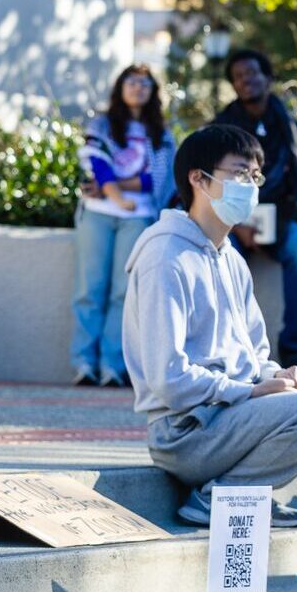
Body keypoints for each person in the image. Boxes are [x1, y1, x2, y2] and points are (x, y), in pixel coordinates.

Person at [122, 124, 297, 528]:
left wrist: (280, 375)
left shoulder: (230, 257)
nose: (250, 186)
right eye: (239, 173)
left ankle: (245, 491)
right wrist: (252, 390)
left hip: (230, 415)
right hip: (185, 432)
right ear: (198, 178)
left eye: (255, 176)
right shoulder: (165, 255)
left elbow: (254, 355)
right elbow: (168, 378)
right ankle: (221, 497)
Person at [71, 65, 175, 387]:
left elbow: (155, 180)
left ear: (153, 92)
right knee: (90, 288)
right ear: (120, 87)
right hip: (98, 214)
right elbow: (95, 162)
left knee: (123, 291)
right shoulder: (102, 123)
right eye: (131, 82)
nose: (138, 88)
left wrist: (114, 185)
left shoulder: (161, 133)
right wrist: (109, 188)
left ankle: (112, 365)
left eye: (145, 83)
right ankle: (84, 362)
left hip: (139, 217)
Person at [212, 48, 297, 368]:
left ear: (268, 78)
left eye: (253, 73)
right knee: (222, 262)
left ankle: (292, 348)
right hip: (230, 220)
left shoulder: (293, 128)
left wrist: (273, 227)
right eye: (239, 77)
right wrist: (237, 225)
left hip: (280, 219)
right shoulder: (220, 129)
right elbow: (211, 183)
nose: (247, 81)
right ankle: (235, 348)